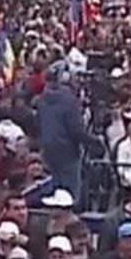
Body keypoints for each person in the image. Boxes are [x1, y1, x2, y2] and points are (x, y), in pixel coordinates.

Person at [36, 64, 90, 201]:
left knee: (54, 195)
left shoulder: (42, 99)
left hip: (48, 152)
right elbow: (76, 131)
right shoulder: (70, 101)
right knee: (69, 197)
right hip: (68, 154)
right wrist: (92, 141)